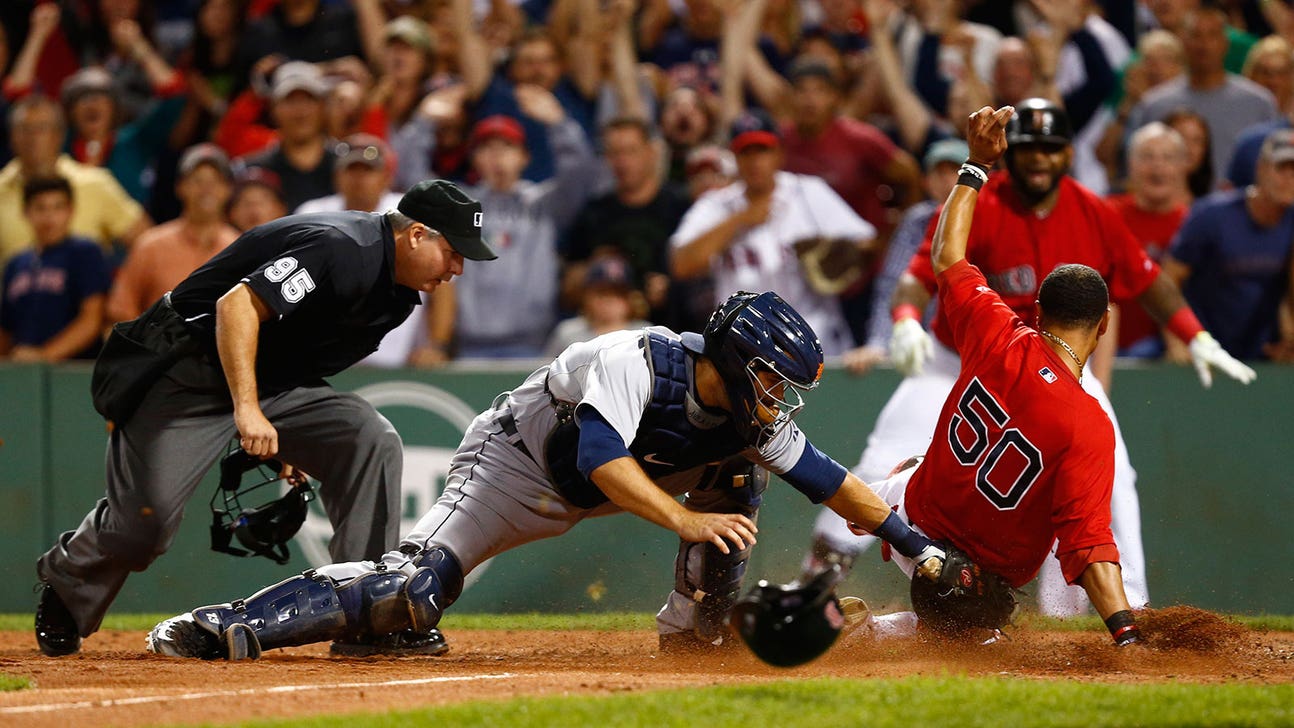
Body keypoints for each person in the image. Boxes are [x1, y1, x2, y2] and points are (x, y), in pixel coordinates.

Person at [144, 289, 952, 661]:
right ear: (739, 363)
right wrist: (683, 522)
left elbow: (832, 481)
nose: (780, 399)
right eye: (774, 378)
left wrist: (924, 550)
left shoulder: (749, 420)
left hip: (609, 481)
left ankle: (696, 633)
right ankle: (220, 626)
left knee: (746, 479)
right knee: (409, 591)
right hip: (516, 465)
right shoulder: (638, 358)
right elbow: (603, 461)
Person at [806, 98, 1255, 617]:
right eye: (1029, 149)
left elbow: (1148, 280)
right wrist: (906, 315)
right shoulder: (988, 204)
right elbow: (923, 269)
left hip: (1036, 360)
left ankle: (1128, 605)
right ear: (1011, 153)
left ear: (1068, 153)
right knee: (885, 453)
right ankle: (816, 585)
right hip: (962, 356)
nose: (1039, 159)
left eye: (1050, 148)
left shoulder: (1092, 211)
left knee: (1114, 480)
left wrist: (1196, 335)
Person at [33, 179, 497, 658]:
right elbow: (236, 307)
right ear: (418, 234)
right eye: (455, 251)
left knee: (368, 438)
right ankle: (70, 581)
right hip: (186, 372)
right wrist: (248, 408)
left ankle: (371, 612)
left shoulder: (396, 290)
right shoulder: (338, 247)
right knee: (142, 529)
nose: (458, 268)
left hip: (268, 378)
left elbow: (299, 355)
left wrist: (294, 441)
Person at [835, 104, 1144, 647]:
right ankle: (880, 632)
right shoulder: (1089, 424)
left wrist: (976, 164)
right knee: (986, 634)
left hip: (910, 521)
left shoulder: (997, 328)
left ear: (1039, 311)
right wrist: (1124, 630)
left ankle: (833, 588)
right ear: (1103, 326)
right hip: (967, 576)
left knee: (893, 476)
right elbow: (1088, 544)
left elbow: (946, 253)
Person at [670, 109, 877, 357]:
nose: (755, 161)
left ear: (778, 153)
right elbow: (681, 263)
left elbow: (868, 243)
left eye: (762, 150)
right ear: (734, 157)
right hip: (742, 344)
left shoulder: (808, 193)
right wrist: (740, 220)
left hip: (813, 339)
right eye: (746, 152)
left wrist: (837, 254)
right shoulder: (717, 205)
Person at [1163, 128, 1294, 361]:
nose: (1290, 179)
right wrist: (1177, 341)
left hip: (1261, 352)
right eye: (1282, 169)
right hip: (1201, 344)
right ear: (1261, 170)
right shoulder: (1212, 215)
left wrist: (1288, 341)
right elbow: (1168, 280)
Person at [0, 96, 150, 267]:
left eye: (41, 128)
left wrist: (125, 290)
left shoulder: (95, 183)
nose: (32, 137)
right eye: (24, 129)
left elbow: (147, 242)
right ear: (11, 137)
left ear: (59, 136)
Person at [106, 144, 240, 324]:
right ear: (180, 187)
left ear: (228, 190)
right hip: (158, 349)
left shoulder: (240, 248)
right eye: (197, 181)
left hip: (218, 350)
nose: (206, 189)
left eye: (216, 181)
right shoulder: (151, 245)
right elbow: (120, 310)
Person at [0, 176, 112, 362]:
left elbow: (92, 319)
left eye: (58, 207)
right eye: (40, 208)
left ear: (70, 211)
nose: (49, 217)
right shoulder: (15, 264)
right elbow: (5, 330)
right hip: (22, 374)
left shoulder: (85, 252)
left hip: (73, 373)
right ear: (26, 213)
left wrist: (44, 356)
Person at [1106, 123, 1192, 358]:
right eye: (1147, 157)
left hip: (1169, 352)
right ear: (1130, 164)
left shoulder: (1196, 224)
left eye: (1168, 158)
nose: (1158, 166)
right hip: (1102, 346)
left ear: (1185, 166)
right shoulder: (1105, 214)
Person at [544, 254, 652, 357]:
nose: (609, 301)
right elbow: (545, 373)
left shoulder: (646, 334)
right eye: (602, 293)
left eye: (617, 294)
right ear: (587, 297)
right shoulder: (567, 333)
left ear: (630, 298)